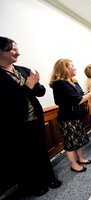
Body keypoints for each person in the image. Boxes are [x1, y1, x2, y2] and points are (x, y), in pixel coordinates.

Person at [0, 36, 61, 197]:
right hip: (15, 124)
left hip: (36, 119)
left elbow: (40, 91)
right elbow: (8, 101)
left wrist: (35, 83)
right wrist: (28, 86)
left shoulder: (23, 69)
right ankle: (34, 186)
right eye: (12, 49)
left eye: (16, 48)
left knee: (42, 150)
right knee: (25, 158)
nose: (17, 52)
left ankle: (49, 179)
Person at [49, 59, 91, 172]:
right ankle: (73, 164)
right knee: (70, 142)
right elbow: (76, 100)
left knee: (79, 139)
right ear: (64, 68)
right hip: (67, 118)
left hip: (77, 115)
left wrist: (88, 92)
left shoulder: (73, 81)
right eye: (72, 66)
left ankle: (80, 158)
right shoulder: (59, 84)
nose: (75, 68)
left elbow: (80, 95)